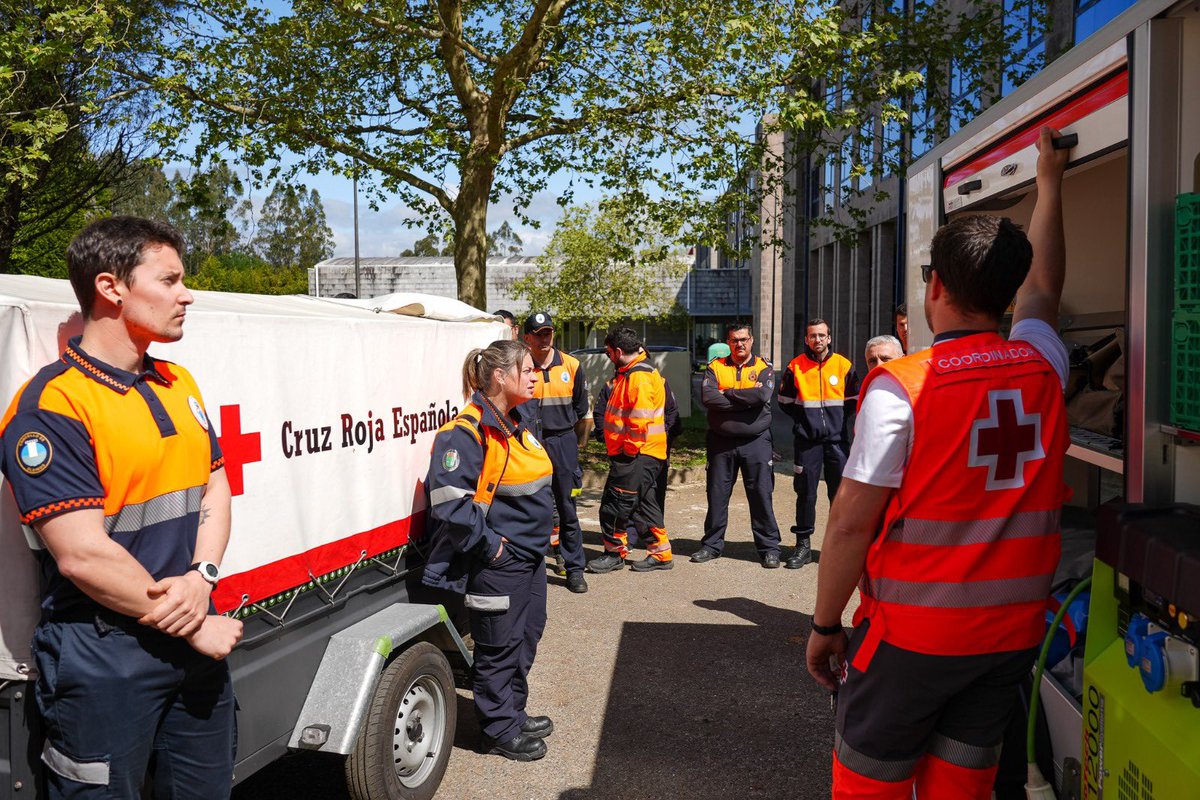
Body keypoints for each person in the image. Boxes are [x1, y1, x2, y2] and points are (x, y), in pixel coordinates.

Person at [805, 127, 1072, 799]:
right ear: (1007, 295)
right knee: (963, 786)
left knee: (873, 784)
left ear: (936, 286)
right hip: (1008, 640)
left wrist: (825, 624)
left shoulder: (901, 386)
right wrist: (1050, 182)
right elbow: (1045, 289)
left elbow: (847, 525)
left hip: (910, 643)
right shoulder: (1043, 364)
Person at [0, 216, 242, 799]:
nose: (187, 294)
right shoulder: (51, 406)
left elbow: (215, 487)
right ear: (111, 288)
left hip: (193, 632)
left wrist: (202, 578)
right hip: (104, 653)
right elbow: (83, 555)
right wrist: (194, 624)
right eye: (170, 280)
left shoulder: (178, 383)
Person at [422, 340, 555, 762]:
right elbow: (449, 503)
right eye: (529, 369)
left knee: (525, 637)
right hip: (500, 562)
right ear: (501, 375)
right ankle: (497, 730)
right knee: (499, 646)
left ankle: (511, 713)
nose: (536, 375)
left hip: (529, 560)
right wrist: (493, 547)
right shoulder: (466, 431)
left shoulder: (515, 420)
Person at [694, 323, 783, 568]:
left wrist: (728, 393)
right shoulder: (715, 366)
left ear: (751, 340)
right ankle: (711, 545)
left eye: (743, 339)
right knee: (717, 495)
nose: (739, 344)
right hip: (721, 443)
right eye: (734, 340)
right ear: (728, 342)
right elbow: (708, 398)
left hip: (756, 443)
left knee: (761, 495)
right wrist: (745, 399)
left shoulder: (764, 367)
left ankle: (769, 549)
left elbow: (761, 397)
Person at [586, 327, 674, 573]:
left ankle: (614, 553)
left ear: (619, 351)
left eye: (608, 352)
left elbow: (639, 420)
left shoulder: (638, 377)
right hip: (645, 454)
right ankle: (661, 553)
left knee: (615, 505)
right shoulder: (635, 373)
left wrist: (627, 451)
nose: (607, 356)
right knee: (645, 505)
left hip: (636, 455)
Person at [778, 319, 859, 569]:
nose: (818, 340)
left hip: (837, 443)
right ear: (806, 339)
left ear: (829, 338)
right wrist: (805, 422)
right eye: (813, 336)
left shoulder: (843, 365)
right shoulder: (796, 367)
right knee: (805, 494)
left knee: (840, 496)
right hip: (807, 443)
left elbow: (853, 400)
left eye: (822, 335)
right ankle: (803, 546)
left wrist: (835, 423)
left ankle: (841, 548)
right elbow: (784, 400)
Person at [522, 311, 589, 594]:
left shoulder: (572, 365)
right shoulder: (520, 367)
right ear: (527, 338)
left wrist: (562, 431)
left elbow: (580, 407)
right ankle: (529, 569)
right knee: (531, 508)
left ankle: (574, 569)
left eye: (548, 333)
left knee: (567, 509)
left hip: (562, 442)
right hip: (529, 443)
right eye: (538, 334)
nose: (545, 338)